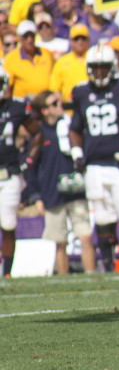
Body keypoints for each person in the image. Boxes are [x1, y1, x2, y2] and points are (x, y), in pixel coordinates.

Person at [29, 90, 96, 274]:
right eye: (55, 104)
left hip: (76, 190)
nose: (61, 106)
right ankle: (63, 279)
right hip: (52, 194)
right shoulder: (39, 133)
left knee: (85, 236)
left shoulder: (71, 127)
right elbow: (31, 168)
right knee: (60, 242)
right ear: (44, 110)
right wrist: (36, 197)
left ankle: (92, 276)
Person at [0, 66, 36, 276]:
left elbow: (37, 134)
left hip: (9, 172)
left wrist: (28, 159)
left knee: (8, 223)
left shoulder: (16, 108)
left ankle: (7, 272)